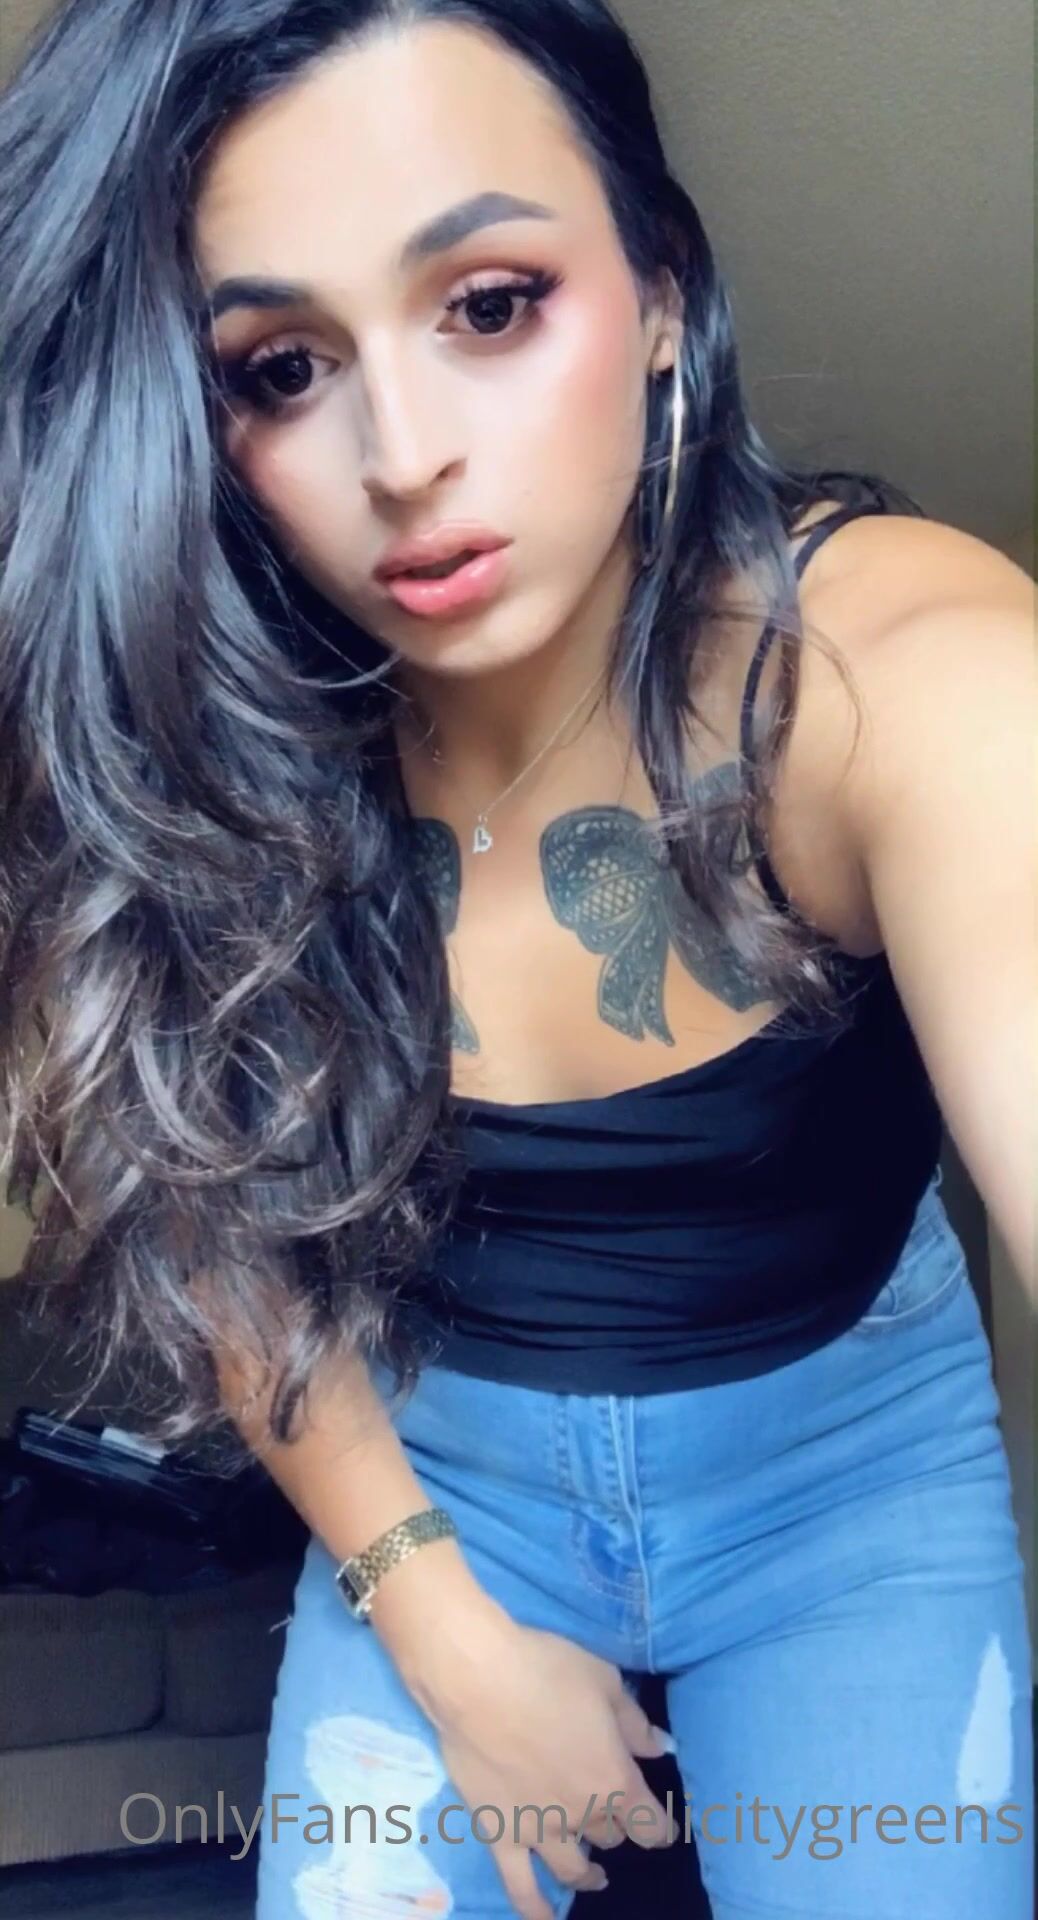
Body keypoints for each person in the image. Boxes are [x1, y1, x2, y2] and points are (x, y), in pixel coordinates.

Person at [0, 2, 1033, 1916]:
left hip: (847, 1484)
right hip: (433, 1491)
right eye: (282, 366)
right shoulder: (191, 760)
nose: (403, 457)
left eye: (488, 304)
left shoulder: (880, 672)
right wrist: (451, 1642)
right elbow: (226, 1239)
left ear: (660, 295)